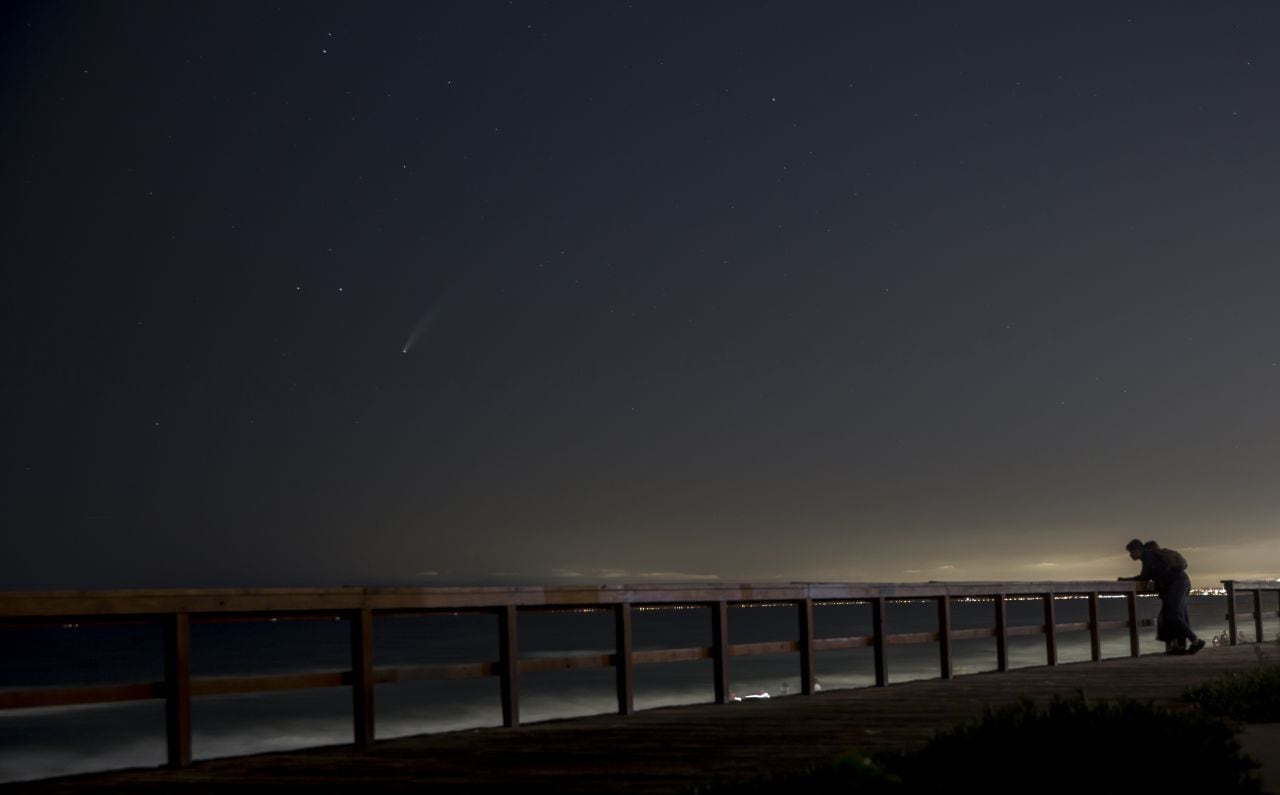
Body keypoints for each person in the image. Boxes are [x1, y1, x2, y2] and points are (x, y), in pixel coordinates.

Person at [1118, 538, 1204, 655]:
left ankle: (1196, 641)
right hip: (1181, 582)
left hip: (1176, 584)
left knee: (1173, 615)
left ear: (1137, 550)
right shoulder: (1151, 556)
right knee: (1174, 615)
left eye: (1131, 552)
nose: (1130, 555)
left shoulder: (1148, 556)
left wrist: (1125, 580)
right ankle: (1180, 647)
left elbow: (1144, 577)